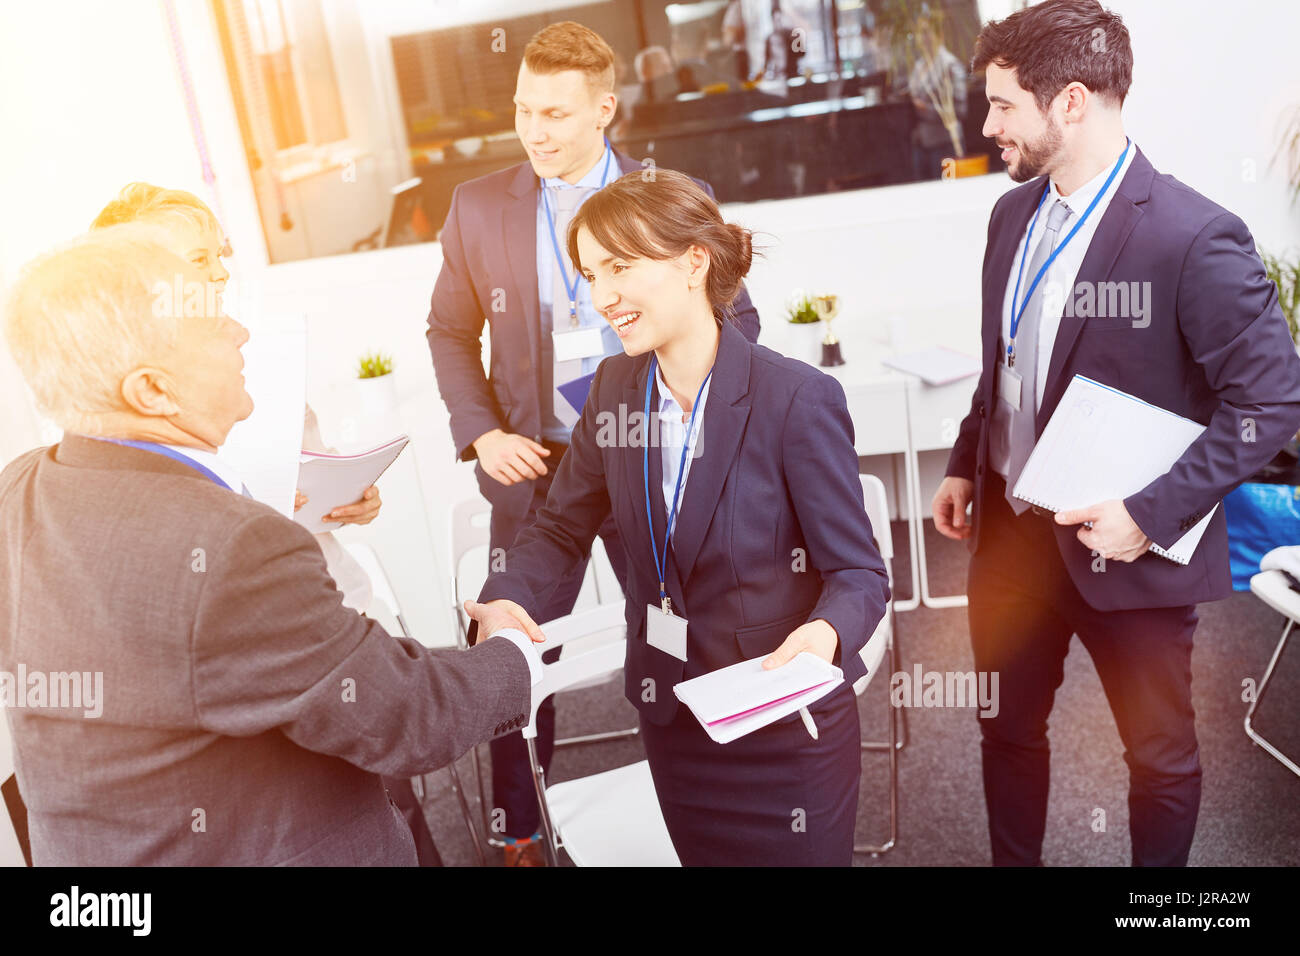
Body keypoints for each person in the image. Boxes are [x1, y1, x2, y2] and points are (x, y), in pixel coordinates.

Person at [0, 226, 542, 865]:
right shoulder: (231, 545)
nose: (240, 332)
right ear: (153, 391)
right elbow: (406, 715)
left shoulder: (23, 485)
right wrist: (510, 652)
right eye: (211, 322)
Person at [931, 0, 1300, 867]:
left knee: (1158, 756)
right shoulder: (1010, 220)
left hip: (1128, 547)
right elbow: (1007, 363)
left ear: (1069, 103)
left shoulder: (1193, 235)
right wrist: (962, 463)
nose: (987, 128)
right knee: (1007, 732)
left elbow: (1272, 402)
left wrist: (1149, 512)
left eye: (1002, 106)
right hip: (1011, 543)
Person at [463, 169, 890, 866]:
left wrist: (824, 633)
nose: (603, 298)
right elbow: (560, 529)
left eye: (620, 268)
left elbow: (859, 574)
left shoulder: (795, 400)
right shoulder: (613, 390)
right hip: (674, 722)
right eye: (591, 274)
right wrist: (508, 596)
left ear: (694, 262)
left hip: (783, 729)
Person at [426, 20, 762, 865]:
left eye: (555, 113)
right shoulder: (478, 208)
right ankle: (520, 829)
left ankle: (714, 791)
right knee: (514, 642)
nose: (533, 131)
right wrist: (482, 433)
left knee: (690, 628)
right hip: (537, 469)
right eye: (521, 111)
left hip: (653, 459)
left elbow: (736, 321)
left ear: (604, 109)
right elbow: (446, 332)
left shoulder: (673, 194)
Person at [90, 183, 441, 866]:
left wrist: (348, 494)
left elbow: (305, 464)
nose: (221, 272)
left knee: (398, 829)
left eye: (221, 254)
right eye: (200, 258)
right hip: (257, 684)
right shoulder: (118, 399)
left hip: (335, 627)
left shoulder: (254, 354)